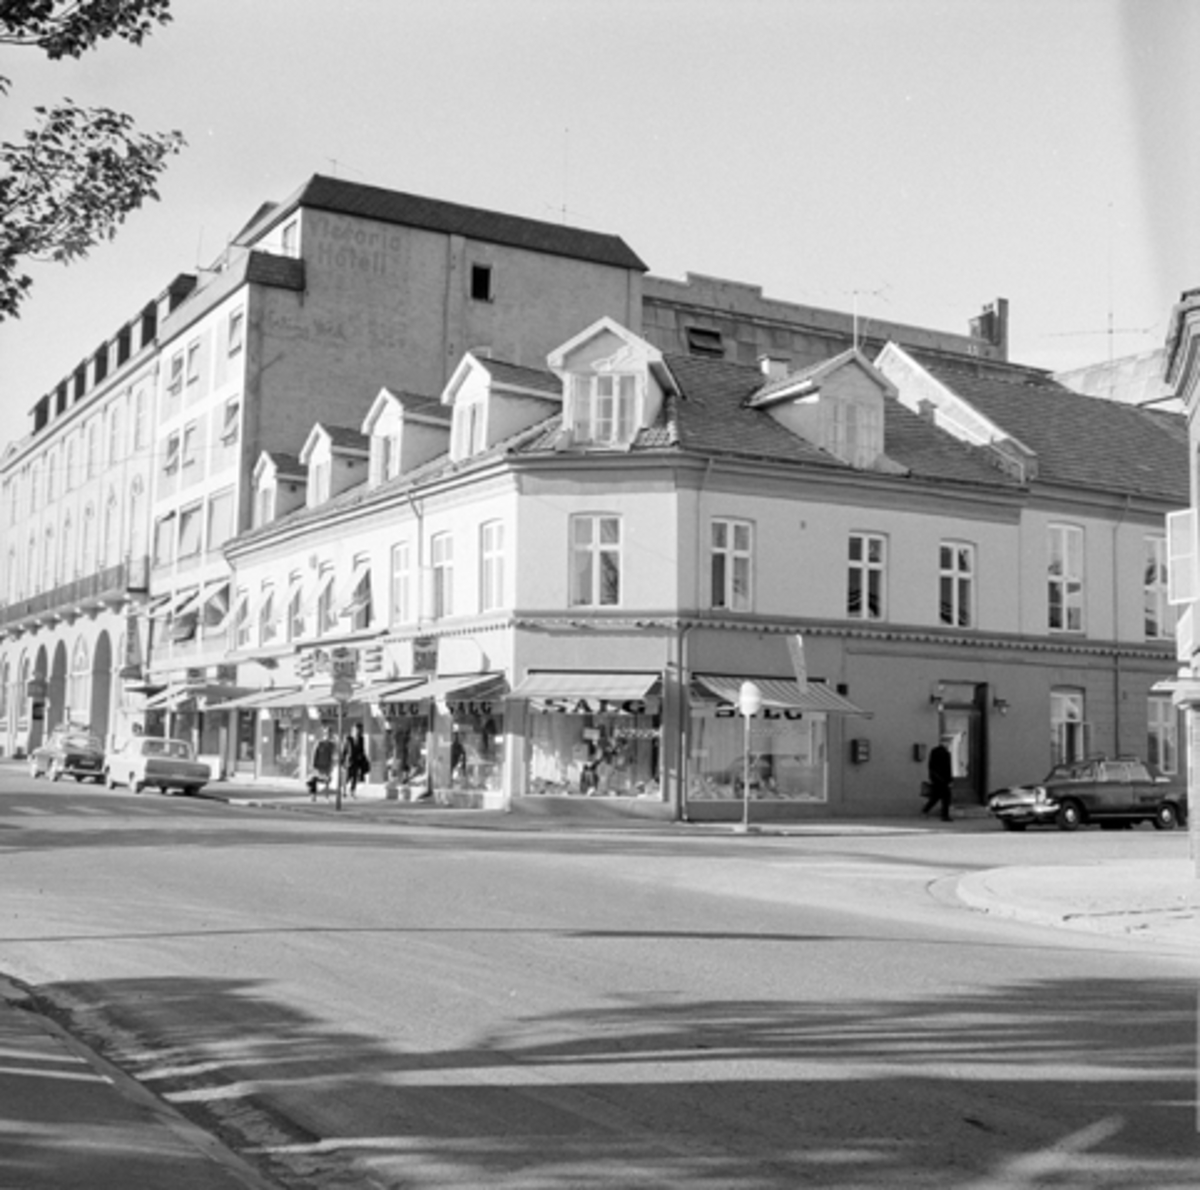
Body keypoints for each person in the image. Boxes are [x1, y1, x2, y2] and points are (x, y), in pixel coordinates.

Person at [922, 735, 954, 821]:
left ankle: (926, 810)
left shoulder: (934, 751)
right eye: (949, 742)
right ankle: (944, 816)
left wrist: (933, 777)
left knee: (936, 796)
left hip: (937, 779)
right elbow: (947, 768)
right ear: (945, 743)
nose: (949, 744)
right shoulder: (946, 753)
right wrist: (949, 780)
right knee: (946, 797)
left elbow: (931, 766)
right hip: (943, 780)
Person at [308, 726, 337, 800]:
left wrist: (332, 765)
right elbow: (314, 754)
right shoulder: (319, 743)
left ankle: (326, 796)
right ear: (324, 734)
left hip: (326, 765)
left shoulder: (332, 745)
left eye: (330, 733)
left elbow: (333, 755)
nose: (328, 735)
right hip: (318, 765)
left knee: (327, 780)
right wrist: (312, 764)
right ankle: (313, 794)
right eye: (327, 733)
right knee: (315, 779)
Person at [341, 723, 369, 798]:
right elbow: (344, 751)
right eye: (357, 730)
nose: (359, 732)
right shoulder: (348, 739)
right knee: (347, 777)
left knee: (355, 777)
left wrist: (363, 758)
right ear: (353, 730)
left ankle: (352, 791)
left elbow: (362, 750)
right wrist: (342, 761)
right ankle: (344, 791)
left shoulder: (361, 739)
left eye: (360, 730)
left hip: (357, 760)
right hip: (349, 761)